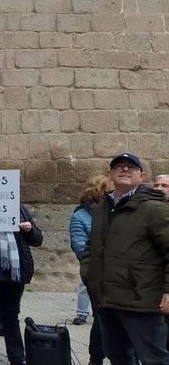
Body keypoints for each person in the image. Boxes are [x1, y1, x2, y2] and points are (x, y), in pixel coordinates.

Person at [81, 153, 169, 365]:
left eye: (131, 167)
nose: (125, 169)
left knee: (153, 359)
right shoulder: (102, 207)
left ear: (142, 174)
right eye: (119, 166)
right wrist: (89, 274)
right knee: (118, 357)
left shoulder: (153, 208)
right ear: (110, 173)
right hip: (108, 300)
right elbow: (91, 246)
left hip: (141, 301)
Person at [0, 203, 43, 365]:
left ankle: (17, 357)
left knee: (11, 316)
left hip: (14, 273)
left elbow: (37, 239)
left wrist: (30, 230)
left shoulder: (20, 209)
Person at [70, 174, 111, 365]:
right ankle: (96, 359)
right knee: (101, 321)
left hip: (120, 277)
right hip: (98, 275)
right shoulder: (80, 216)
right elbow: (80, 248)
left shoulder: (117, 210)